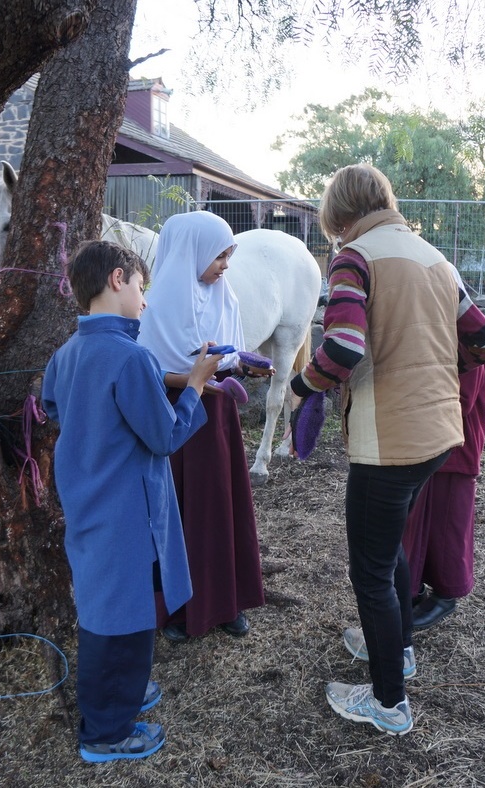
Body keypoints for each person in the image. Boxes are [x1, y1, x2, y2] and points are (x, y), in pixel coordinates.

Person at [289, 164, 485, 736]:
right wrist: (439, 371)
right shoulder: (436, 259)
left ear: (340, 215)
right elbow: (483, 340)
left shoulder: (355, 257)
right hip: (437, 434)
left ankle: (388, 702)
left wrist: (300, 387)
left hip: (389, 441)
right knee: (391, 547)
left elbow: (343, 348)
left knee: (371, 569)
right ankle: (397, 649)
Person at [41, 240, 221, 762]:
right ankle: (106, 732)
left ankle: (120, 692)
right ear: (118, 279)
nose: (144, 301)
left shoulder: (66, 353)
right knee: (121, 620)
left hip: (85, 500)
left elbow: (54, 408)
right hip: (125, 509)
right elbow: (164, 436)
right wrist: (194, 386)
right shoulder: (131, 357)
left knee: (102, 606)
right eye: (141, 287)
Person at [138, 210, 265, 642]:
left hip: (217, 420)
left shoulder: (222, 296)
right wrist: (196, 377)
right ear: (192, 253)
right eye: (219, 257)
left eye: (228, 257)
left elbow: (229, 356)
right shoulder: (155, 308)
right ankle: (178, 609)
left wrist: (242, 367)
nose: (225, 267)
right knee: (180, 510)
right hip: (176, 420)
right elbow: (151, 369)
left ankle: (225, 600)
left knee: (219, 505)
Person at [403, 362, 485, 630]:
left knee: (448, 526)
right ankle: (413, 589)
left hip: (456, 446)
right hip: (431, 444)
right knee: (418, 523)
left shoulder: (468, 341)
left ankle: (445, 594)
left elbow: (459, 401)